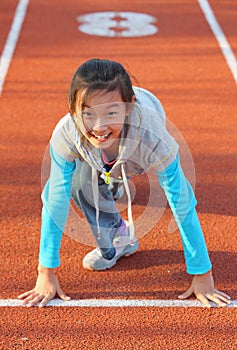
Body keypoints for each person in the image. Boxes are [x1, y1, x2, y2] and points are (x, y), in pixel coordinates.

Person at [18, 58, 231, 308]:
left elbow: (180, 200)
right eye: (88, 114)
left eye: (110, 113)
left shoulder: (153, 138)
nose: (99, 126)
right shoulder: (66, 134)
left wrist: (202, 273)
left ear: (129, 107)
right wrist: (46, 273)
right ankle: (120, 234)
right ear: (73, 110)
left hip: (134, 153)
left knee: (119, 167)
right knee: (79, 184)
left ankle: (115, 178)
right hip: (97, 155)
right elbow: (55, 198)